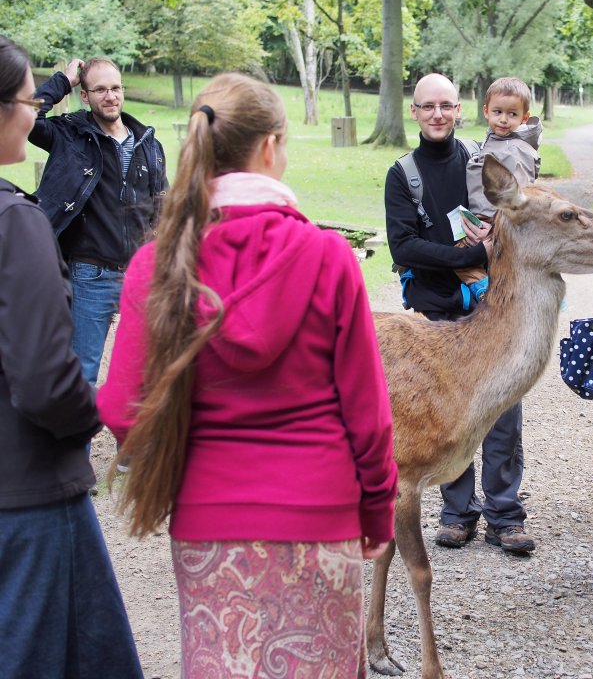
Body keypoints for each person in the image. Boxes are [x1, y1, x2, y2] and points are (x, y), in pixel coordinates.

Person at [96, 73, 398, 676]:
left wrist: (179, 465)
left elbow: (124, 406)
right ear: (269, 147)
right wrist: (375, 513)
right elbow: (368, 416)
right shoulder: (327, 256)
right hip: (321, 512)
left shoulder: (158, 264)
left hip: (208, 516)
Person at [0, 35, 142, 678]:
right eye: (30, 100)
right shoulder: (16, 223)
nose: (36, 110)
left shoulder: (144, 143)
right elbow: (46, 384)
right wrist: (100, 412)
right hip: (28, 498)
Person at [384, 72, 536, 555]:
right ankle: (456, 513)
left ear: (460, 110)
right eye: (427, 106)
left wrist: (493, 245)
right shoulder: (403, 174)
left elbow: (519, 219)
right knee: (448, 417)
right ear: (414, 111)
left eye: (446, 105)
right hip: (437, 313)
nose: (437, 114)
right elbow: (404, 247)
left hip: (493, 308)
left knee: (502, 414)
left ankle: (505, 515)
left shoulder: (484, 160)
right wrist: (471, 256)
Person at [30, 57, 167, 385]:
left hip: (139, 276)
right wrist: (63, 81)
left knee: (140, 378)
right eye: (101, 89)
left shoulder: (148, 144)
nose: (111, 96)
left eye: (116, 88)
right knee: (83, 377)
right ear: (85, 96)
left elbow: (162, 209)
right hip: (90, 274)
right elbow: (26, 115)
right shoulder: (70, 135)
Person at [459, 76, 543, 300]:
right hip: (484, 217)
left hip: (497, 222)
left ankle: (484, 288)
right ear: (486, 111)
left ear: (524, 117)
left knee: (461, 254)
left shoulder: (516, 150)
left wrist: (497, 229)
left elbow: (521, 195)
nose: (504, 120)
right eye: (498, 112)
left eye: (512, 114)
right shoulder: (497, 140)